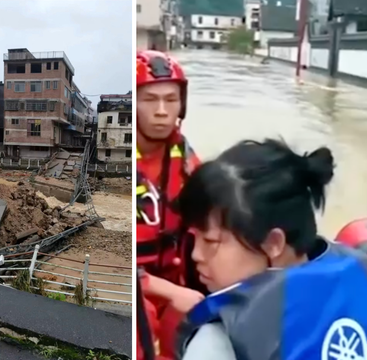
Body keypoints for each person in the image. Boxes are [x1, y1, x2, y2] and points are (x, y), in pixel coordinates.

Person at [174, 139, 367, 360]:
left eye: (211, 241)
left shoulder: (218, 341)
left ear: (273, 243)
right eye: (195, 238)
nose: (196, 254)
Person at [136, 50, 203, 359]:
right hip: (141, 292)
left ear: (182, 105)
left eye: (171, 99)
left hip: (179, 286)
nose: (162, 111)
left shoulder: (188, 162)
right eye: (150, 100)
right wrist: (174, 294)